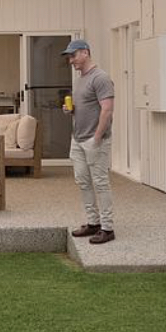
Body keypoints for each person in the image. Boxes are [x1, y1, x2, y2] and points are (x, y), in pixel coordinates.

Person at [62, 39, 117, 244]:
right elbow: (84, 106)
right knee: (83, 181)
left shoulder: (101, 78)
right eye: (69, 57)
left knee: (100, 183)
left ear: (85, 53)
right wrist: (71, 109)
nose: (71, 60)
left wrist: (97, 137)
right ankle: (93, 223)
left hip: (95, 140)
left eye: (73, 55)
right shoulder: (80, 80)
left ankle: (107, 228)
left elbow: (107, 109)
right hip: (77, 139)